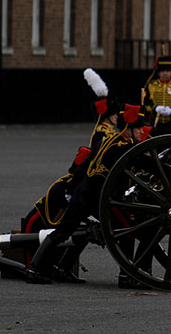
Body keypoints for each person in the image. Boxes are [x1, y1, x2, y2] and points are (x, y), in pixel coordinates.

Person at [26, 103, 151, 284]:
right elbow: (144, 162)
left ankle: (45, 269)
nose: (141, 131)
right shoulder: (123, 147)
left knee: (65, 232)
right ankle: (125, 277)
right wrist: (170, 170)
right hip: (97, 198)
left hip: (83, 194)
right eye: (138, 127)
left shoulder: (107, 141)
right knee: (126, 229)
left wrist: (73, 189)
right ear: (128, 128)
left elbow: (83, 167)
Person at [142, 55, 171, 136]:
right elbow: (145, 102)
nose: (165, 73)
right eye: (162, 70)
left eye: (168, 70)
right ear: (158, 72)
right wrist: (154, 108)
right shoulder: (151, 85)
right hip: (155, 123)